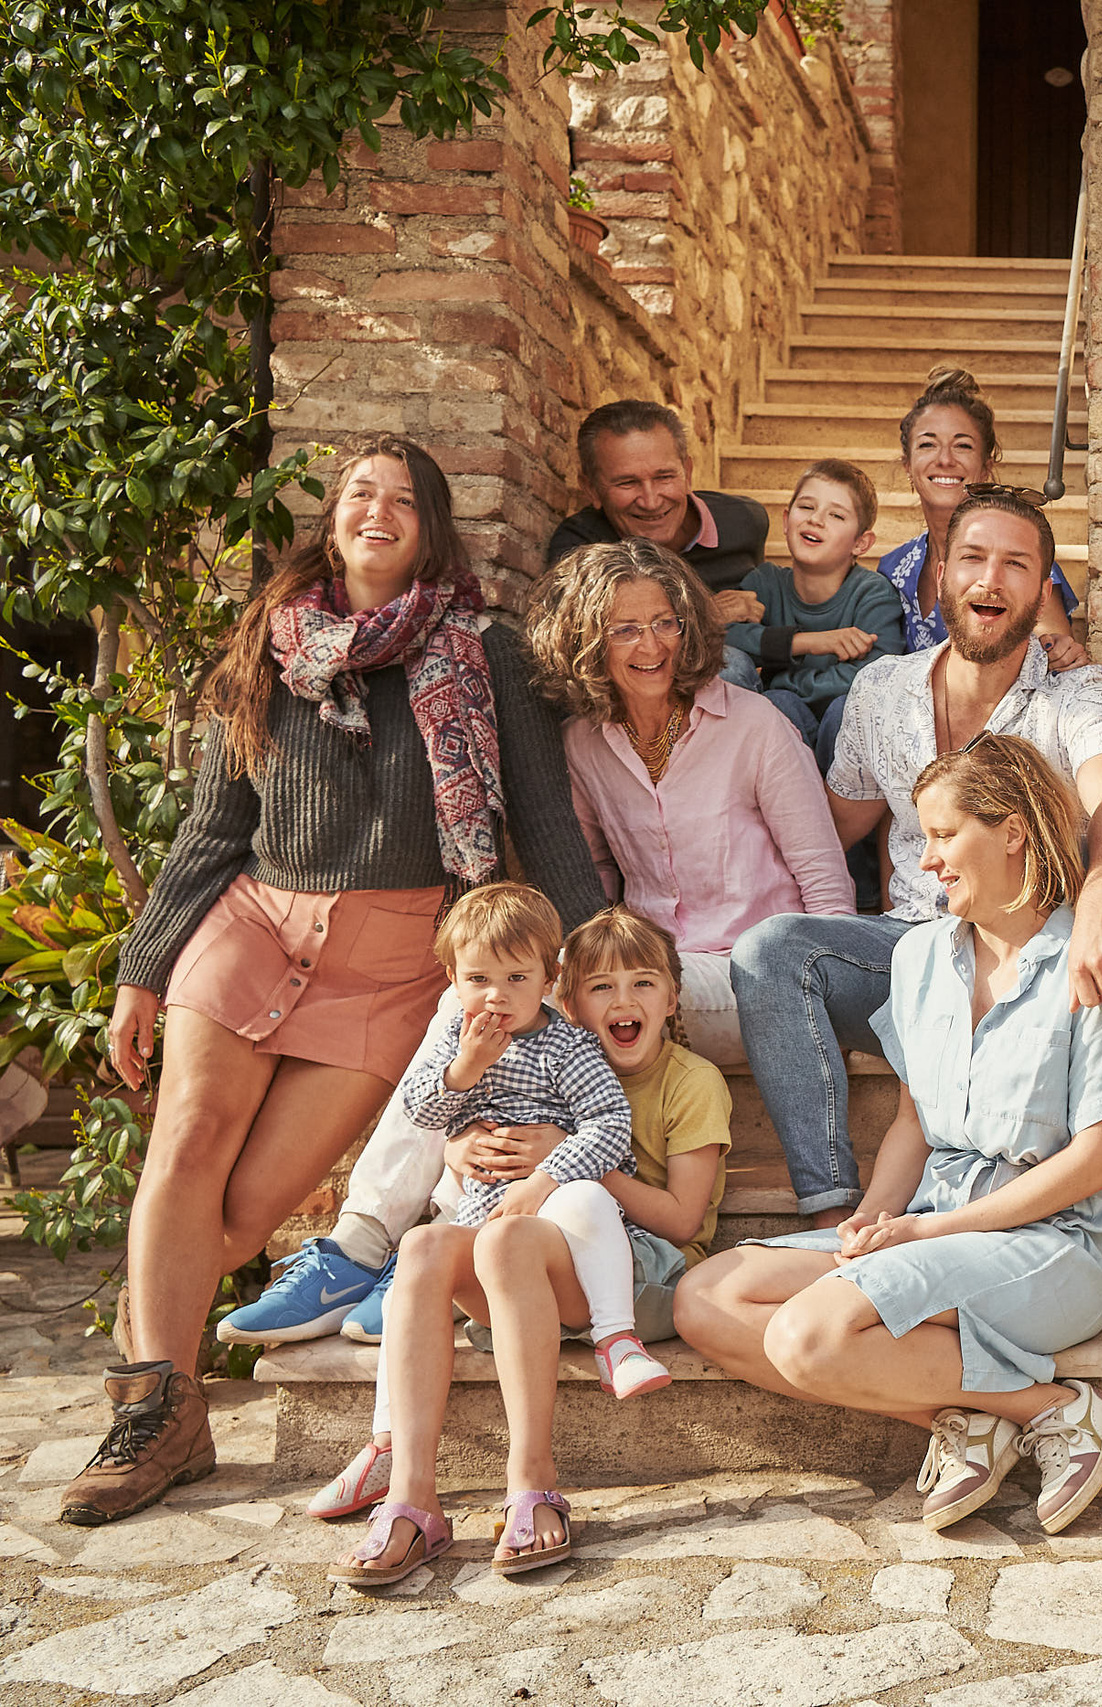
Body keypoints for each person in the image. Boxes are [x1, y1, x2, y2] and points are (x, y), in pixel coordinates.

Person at [69, 435, 602, 1528]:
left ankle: (161, 1395)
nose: (379, 508)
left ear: (431, 530)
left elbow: (541, 817)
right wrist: (143, 968)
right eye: (361, 490)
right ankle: (153, 1420)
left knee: (239, 1216)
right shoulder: (269, 645)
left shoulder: (482, 653)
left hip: (394, 961)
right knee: (184, 1146)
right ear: (333, 516)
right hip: (252, 922)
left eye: (404, 498)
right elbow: (215, 825)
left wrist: (601, 956)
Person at [218, 537, 849, 1348]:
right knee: (474, 997)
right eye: (625, 629)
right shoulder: (587, 743)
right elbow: (591, 875)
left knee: (498, 1000)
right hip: (643, 978)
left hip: (747, 984)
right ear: (589, 641)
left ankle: (427, 1251)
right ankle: (368, 1244)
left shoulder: (755, 727)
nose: (651, 646)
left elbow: (826, 900)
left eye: (664, 623)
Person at [675, 736, 1102, 1537]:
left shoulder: (1090, 959)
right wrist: (873, 1216)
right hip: (932, 1225)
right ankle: (982, 1416)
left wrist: (925, 1229)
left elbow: (1098, 1159)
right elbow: (913, 1121)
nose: (925, 859)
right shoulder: (921, 957)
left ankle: (1057, 1408)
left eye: (942, 833)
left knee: (809, 1334)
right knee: (707, 1297)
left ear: (1012, 832)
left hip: (1053, 1245)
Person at [728, 487, 1102, 1223]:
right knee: (770, 951)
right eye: (973, 558)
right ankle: (835, 1214)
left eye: (1016, 564)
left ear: (1044, 589)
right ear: (941, 573)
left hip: (1022, 965)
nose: (991, 578)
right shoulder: (882, 688)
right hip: (911, 956)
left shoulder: (1078, 695)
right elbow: (834, 823)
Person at [310, 905, 730, 1528]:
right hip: (527, 1276)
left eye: (643, 982)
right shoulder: (514, 1056)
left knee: (511, 1234)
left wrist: (558, 1157)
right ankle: (399, 1468)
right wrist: (459, 1143)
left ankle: (531, 1478)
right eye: (600, 986)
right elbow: (437, 1115)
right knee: (423, 1247)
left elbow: (682, 1222)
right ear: (570, 997)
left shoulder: (685, 1081)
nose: (623, 1000)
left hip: (641, 1273)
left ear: (672, 998)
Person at [545, 399, 770, 688]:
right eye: (627, 483)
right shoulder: (581, 548)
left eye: (664, 477)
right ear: (591, 489)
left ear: (687, 473)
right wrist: (706, 614)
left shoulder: (744, 521)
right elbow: (587, 651)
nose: (651, 501)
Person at [877, 366, 1086, 665]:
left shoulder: (1020, 555)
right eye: (927, 444)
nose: (945, 459)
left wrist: (1058, 649)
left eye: (962, 445)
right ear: (908, 465)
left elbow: (1051, 646)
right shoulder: (894, 569)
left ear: (987, 466)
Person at [727, 459, 907, 770]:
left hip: (847, 752)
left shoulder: (874, 595)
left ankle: (835, 813)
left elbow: (871, 678)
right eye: (807, 507)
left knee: (842, 708)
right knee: (777, 703)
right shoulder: (764, 583)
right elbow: (723, 636)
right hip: (781, 741)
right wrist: (809, 642)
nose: (816, 520)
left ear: (861, 543)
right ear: (785, 521)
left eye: (836, 515)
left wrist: (780, 679)